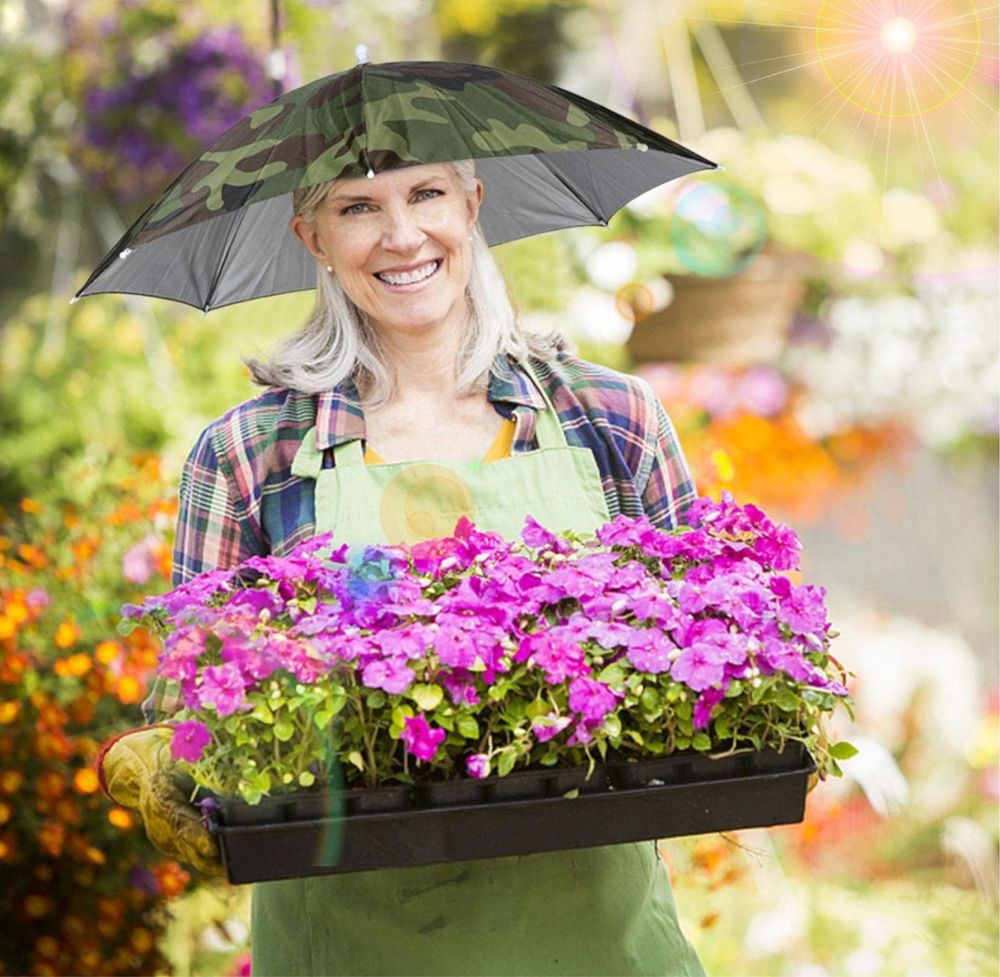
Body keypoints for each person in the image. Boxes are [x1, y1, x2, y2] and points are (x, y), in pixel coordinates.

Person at [99, 157, 706, 976]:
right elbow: (195, 694)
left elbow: (708, 648)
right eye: (358, 207)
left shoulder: (609, 418)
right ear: (312, 237)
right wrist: (170, 755)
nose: (402, 234)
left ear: (472, 205)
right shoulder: (252, 453)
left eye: (426, 195)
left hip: (598, 934)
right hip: (350, 941)